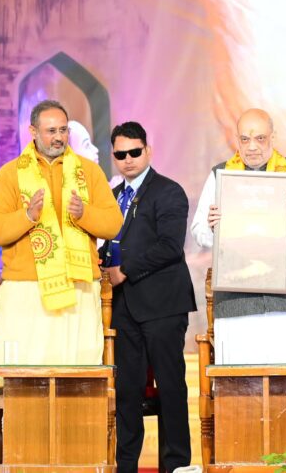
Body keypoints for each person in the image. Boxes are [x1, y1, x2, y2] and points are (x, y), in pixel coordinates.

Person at [0, 100, 123, 370]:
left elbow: (113, 224)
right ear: (33, 131)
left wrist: (84, 213)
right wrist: (27, 217)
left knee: (76, 372)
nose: (59, 137)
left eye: (63, 130)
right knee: (26, 373)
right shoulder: (10, 174)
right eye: (51, 131)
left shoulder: (89, 172)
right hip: (26, 290)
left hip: (78, 288)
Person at [190, 108, 286, 364]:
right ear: (237, 139)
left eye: (260, 138)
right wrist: (212, 226)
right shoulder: (221, 175)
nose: (252, 146)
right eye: (245, 139)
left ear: (273, 137)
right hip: (236, 299)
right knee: (239, 378)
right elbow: (199, 232)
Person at [105, 121, 195, 473]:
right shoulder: (112, 196)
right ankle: (126, 466)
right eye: (120, 154)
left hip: (163, 306)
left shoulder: (169, 191)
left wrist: (125, 270)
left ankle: (176, 466)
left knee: (170, 387)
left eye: (134, 152)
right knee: (127, 390)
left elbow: (170, 246)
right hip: (123, 307)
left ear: (148, 151)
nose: (128, 159)